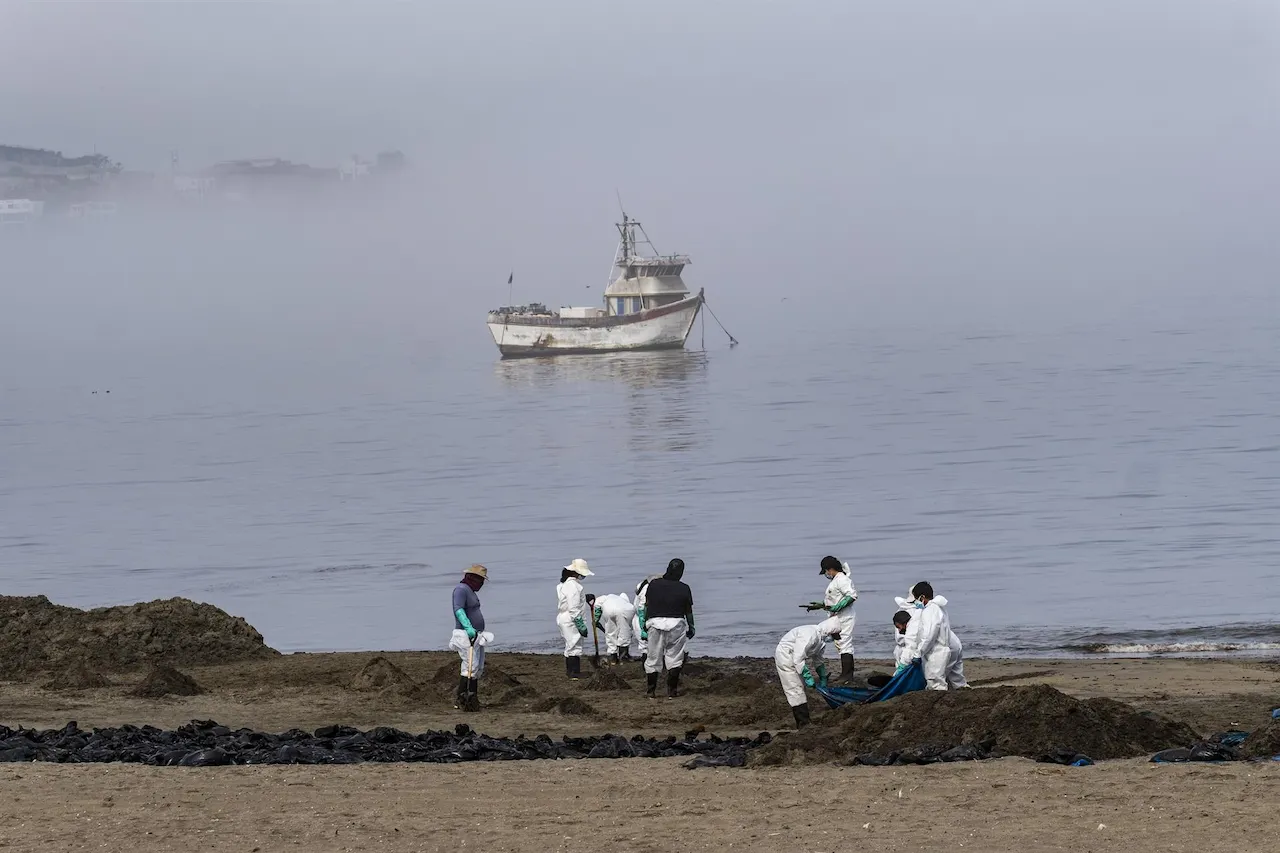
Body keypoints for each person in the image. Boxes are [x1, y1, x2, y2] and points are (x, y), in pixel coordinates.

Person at [639, 558, 694, 699]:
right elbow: (688, 611)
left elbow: (646, 606)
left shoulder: (654, 585)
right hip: (677, 624)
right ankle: (672, 692)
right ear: (681, 572)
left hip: (655, 623)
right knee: (675, 657)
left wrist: (644, 626)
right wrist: (692, 627)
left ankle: (651, 691)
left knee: (653, 658)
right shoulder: (684, 588)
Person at [774, 617, 843, 729]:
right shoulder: (810, 634)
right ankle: (803, 724)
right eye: (833, 636)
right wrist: (807, 676)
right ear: (828, 631)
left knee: (800, 688)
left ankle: (805, 721)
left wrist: (822, 676)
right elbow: (797, 658)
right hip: (786, 656)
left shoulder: (821, 641)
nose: (832, 639)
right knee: (794, 689)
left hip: (796, 659)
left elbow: (818, 660)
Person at [906, 581, 967, 690]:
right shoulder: (939, 608)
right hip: (946, 648)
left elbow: (929, 634)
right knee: (955, 681)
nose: (915, 602)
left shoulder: (930, 610)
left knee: (935, 683)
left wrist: (918, 653)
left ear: (922, 597)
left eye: (916, 599)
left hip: (937, 652)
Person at [449, 564, 492, 711]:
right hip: (465, 634)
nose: (482, 584)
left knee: (477, 667)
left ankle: (473, 697)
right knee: (470, 666)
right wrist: (468, 627)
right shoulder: (461, 590)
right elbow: (458, 609)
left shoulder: (471, 591)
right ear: (472, 578)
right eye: (480, 580)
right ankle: (462, 698)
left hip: (476, 634)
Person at [817, 556, 857, 681]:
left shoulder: (842, 579)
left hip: (844, 616)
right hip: (836, 617)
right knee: (840, 643)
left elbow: (852, 595)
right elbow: (835, 598)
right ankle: (845, 674)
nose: (826, 574)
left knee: (845, 644)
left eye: (826, 571)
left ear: (830, 569)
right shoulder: (836, 580)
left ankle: (847, 675)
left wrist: (838, 606)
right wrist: (822, 605)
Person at [555, 558, 593, 680]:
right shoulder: (574, 586)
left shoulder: (564, 585)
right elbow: (573, 607)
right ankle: (574, 673)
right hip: (571, 619)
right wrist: (580, 623)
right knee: (575, 645)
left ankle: (570, 671)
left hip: (564, 617)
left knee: (569, 644)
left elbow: (569, 601)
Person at [586, 592, 636, 664]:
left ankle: (613, 658)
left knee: (610, 633)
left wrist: (596, 620)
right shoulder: (619, 599)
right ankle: (623, 657)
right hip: (626, 610)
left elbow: (597, 609)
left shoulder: (601, 599)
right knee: (624, 632)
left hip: (608, 609)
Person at [892, 609, 913, 674]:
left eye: (899, 627)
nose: (898, 630)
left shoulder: (911, 635)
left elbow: (909, 650)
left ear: (904, 623)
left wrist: (902, 665)